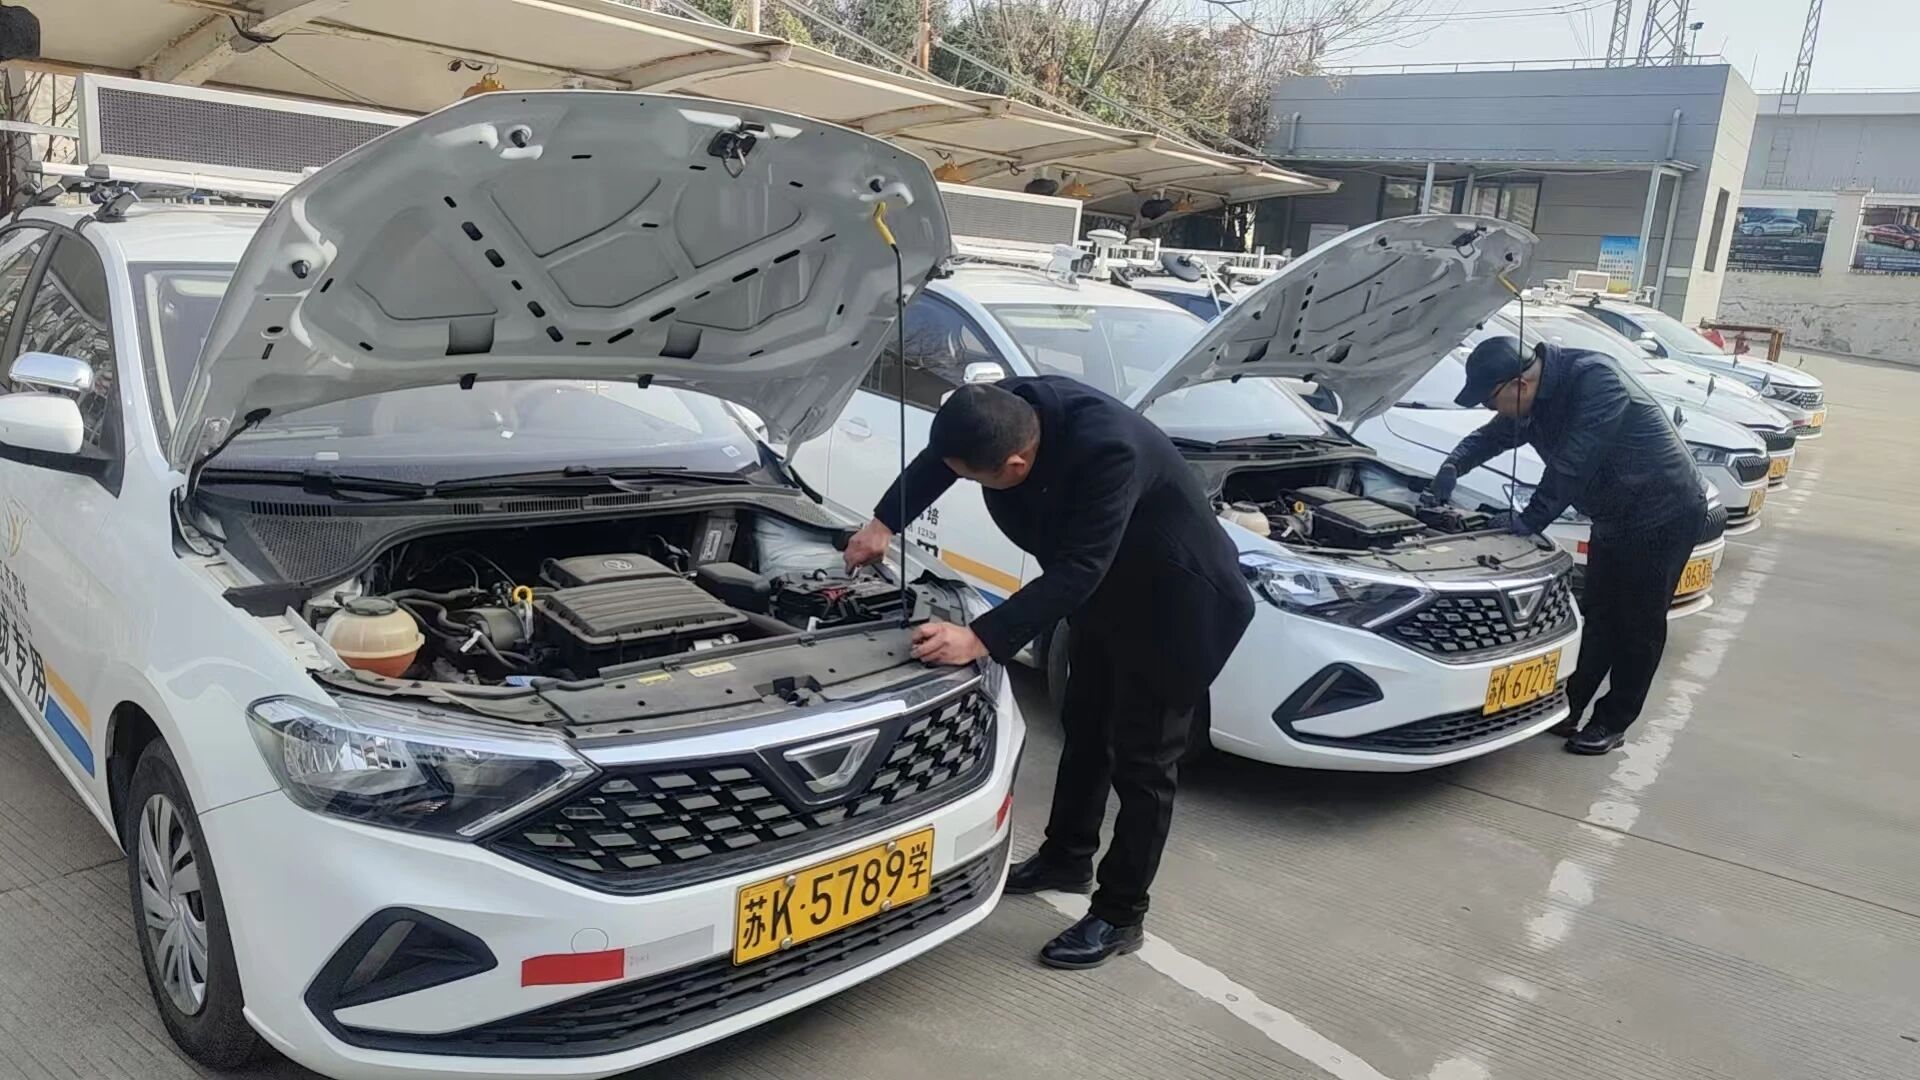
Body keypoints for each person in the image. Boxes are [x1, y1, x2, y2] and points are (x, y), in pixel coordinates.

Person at [844, 376, 1253, 969]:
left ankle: (1120, 915)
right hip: (1105, 598)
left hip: (1175, 607)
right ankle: (1066, 858)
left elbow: (1081, 565)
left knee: (1144, 764)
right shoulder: (1000, 409)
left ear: (1015, 464)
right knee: (1085, 730)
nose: (966, 482)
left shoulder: (1108, 451)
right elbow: (943, 459)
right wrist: (883, 523)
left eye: (977, 479)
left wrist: (980, 638)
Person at [1424, 335, 1706, 755]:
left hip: (1664, 511)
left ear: (1518, 384)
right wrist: (1453, 465)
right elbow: (1494, 436)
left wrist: (1528, 520)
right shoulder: (1535, 396)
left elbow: (1573, 463)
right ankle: (1569, 707)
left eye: (1489, 400)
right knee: (1599, 614)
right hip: (1614, 516)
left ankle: (1612, 721)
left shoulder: (1595, 381)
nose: (1491, 409)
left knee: (1639, 623)